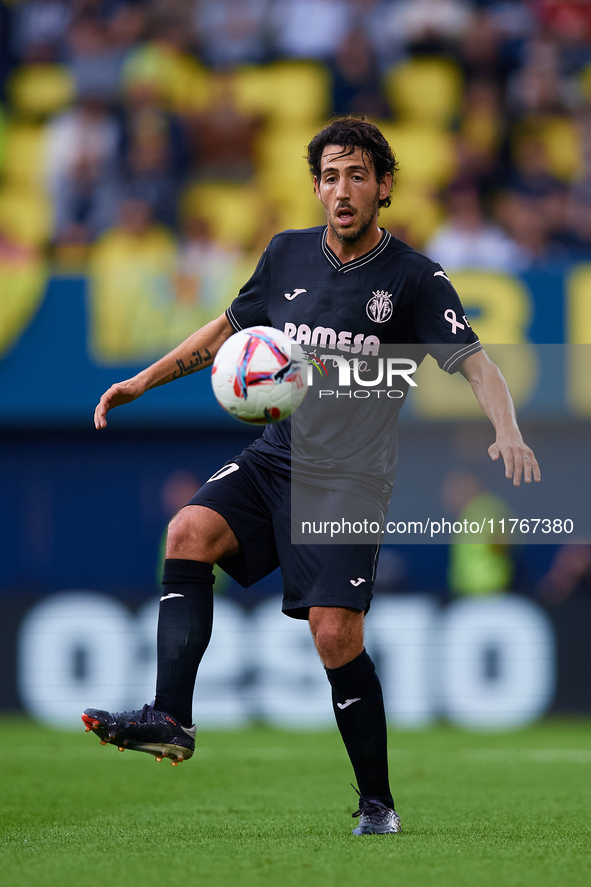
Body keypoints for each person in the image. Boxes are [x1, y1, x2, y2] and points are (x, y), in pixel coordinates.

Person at [82, 117, 541, 836]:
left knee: (333, 636)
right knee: (189, 529)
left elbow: (477, 364)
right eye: (329, 176)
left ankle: (377, 804)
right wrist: (142, 380)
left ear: (383, 186)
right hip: (276, 456)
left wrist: (505, 428)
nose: (342, 190)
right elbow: (227, 327)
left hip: (350, 482)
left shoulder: (415, 280)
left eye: (357, 175)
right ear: (317, 188)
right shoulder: (285, 254)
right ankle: (171, 715)